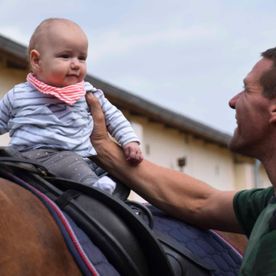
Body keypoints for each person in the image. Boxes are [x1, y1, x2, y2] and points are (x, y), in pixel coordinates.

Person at [86, 47, 276, 275]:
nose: (233, 101)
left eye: (246, 90)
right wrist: (103, 147)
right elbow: (201, 202)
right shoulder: (267, 204)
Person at [0, 18, 143, 193]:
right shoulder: (19, 95)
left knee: (121, 174)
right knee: (70, 161)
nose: (75, 64)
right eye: (65, 56)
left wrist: (129, 140)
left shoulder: (86, 93)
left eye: (82, 58)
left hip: (82, 161)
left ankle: (111, 202)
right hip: (33, 158)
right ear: (36, 60)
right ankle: (94, 191)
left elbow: (113, 116)